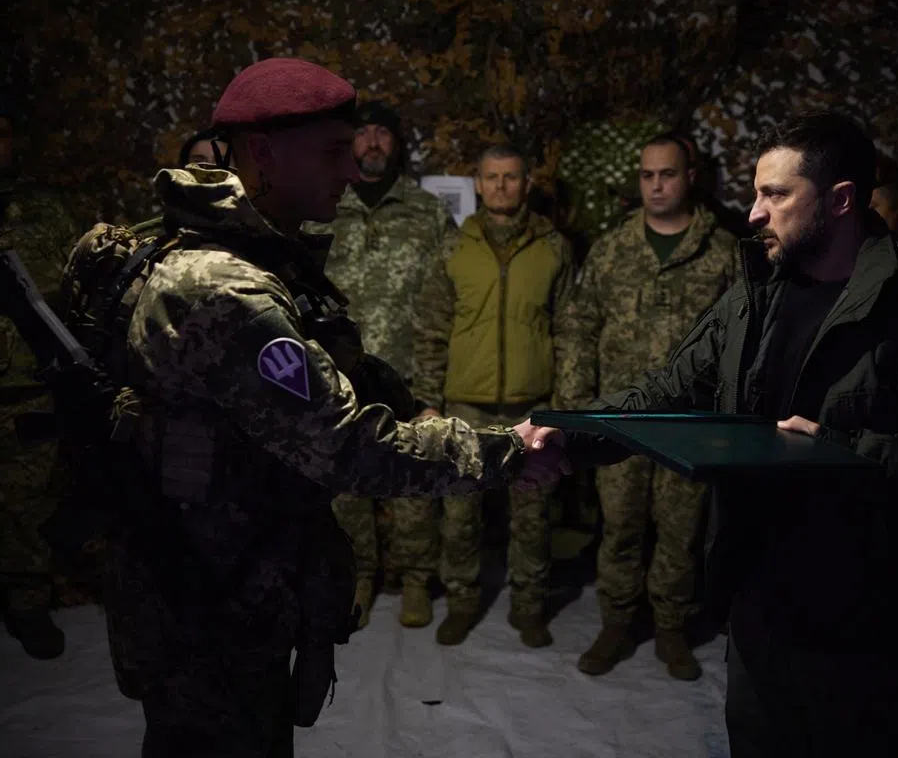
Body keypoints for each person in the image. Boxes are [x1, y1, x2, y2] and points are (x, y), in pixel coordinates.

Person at [97, 58, 562, 758]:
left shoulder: (267, 255)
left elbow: (344, 361)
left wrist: (419, 409)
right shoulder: (223, 289)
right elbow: (345, 446)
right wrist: (503, 452)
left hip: (245, 579)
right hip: (204, 598)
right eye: (332, 151)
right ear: (263, 154)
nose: (350, 170)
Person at [531, 112, 898, 756]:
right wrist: (566, 436)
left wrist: (845, 453)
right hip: (760, 597)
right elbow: (667, 391)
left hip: (863, 616)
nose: (753, 213)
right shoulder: (755, 295)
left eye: (776, 195)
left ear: (841, 200)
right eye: (755, 193)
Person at [554, 132, 739, 681]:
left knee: (681, 531)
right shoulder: (612, 249)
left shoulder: (724, 252)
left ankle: (672, 627)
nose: (657, 185)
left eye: (668, 174)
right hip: (622, 421)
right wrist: (576, 409)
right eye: (647, 175)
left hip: (689, 424)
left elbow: (740, 342)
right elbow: (580, 327)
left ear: (690, 177)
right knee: (621, 526)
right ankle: (616, 622)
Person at [411, 143, 575, 647]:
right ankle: (461, 601)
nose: (501, 186)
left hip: (532, 406)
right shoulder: (453, 247)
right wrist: (427, 399)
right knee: (460, 515)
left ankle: (529, 607)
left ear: (526, 183)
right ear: (478, 184)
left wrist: (564, 405)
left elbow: (570, 327)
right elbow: (431, 327)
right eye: (491, 177)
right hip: (465, 405)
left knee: (533, 516)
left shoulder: (553, 247)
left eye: (511, 177)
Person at [304, 101, 456, 629]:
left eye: (382, 134)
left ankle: (416, 580)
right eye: (362, 133)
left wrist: (434, 384)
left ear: (396, 144)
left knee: (414, 482)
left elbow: (445, 300)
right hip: (336, 376)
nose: (371, 142)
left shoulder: (427, 213)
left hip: (407, 374)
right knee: (345, 489)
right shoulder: (325, 208)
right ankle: (358, 577)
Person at [0, 92, 78, 659]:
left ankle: (27, 606)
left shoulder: (44, 209)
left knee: (26, 504)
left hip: (27, 388)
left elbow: (74, 283)